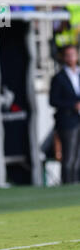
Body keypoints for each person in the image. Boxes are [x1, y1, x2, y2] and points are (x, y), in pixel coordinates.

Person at [49, 45, 80, 184]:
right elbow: (53, 100)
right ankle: (67, 184)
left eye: (73, 54)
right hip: (68, 121)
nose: (71, 58)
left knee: (78, 157)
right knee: (68, 156)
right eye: (68, 55)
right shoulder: (58, 78)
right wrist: (73, 105)